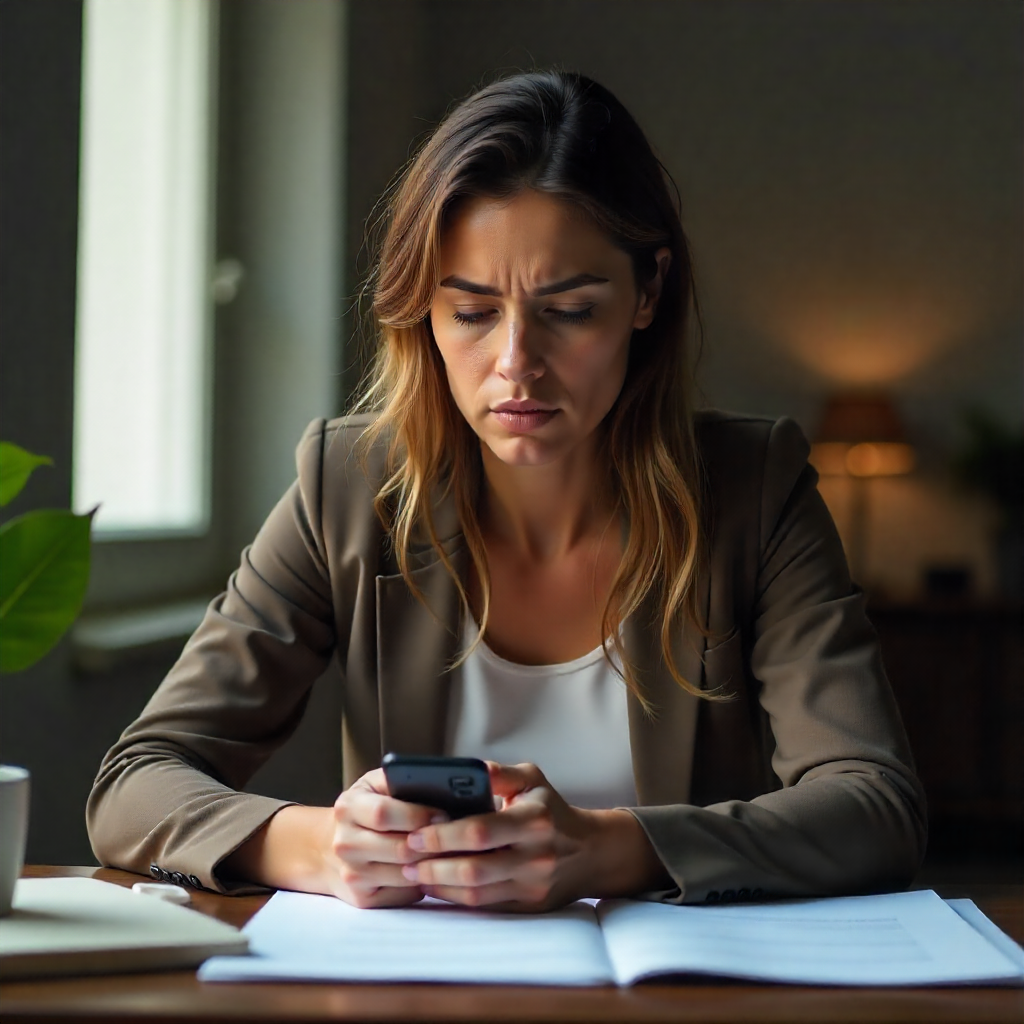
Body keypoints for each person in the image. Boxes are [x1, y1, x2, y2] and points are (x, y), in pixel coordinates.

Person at [88, 70, 926, 912]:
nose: (517, 363)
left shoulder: (754, 488)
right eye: (473, 312)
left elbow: (875, 804)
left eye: (570, 310)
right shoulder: (346, 487)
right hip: (422, 975)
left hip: (681, 975)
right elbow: (134, 783)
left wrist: (609, 850)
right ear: (425, 309)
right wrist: (320, 846)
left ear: (648, 291)